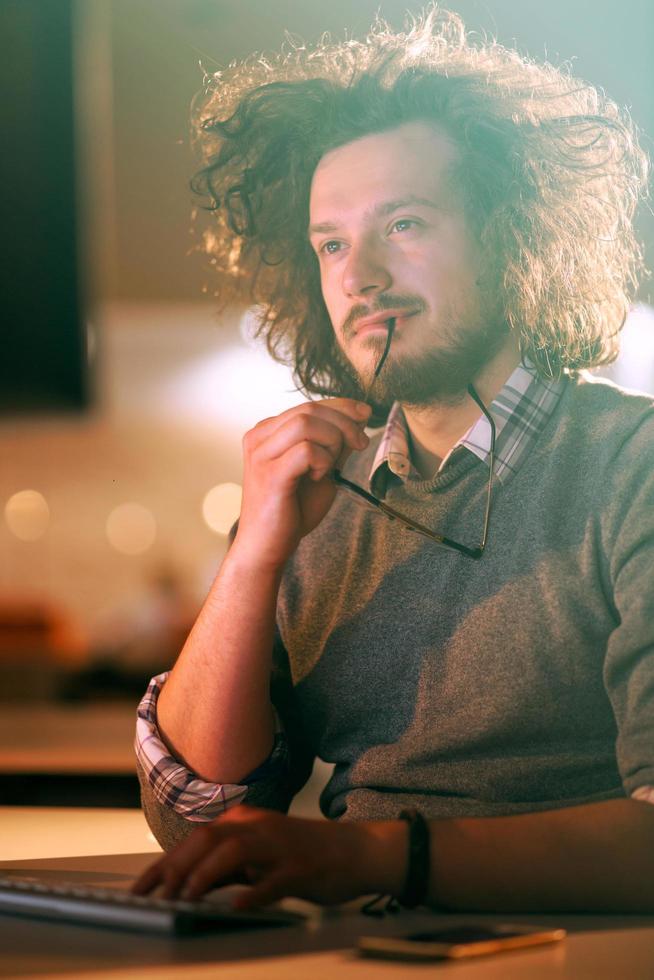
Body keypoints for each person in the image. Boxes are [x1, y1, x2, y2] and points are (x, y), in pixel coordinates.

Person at [133, 6, 654, 912]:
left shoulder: (632, 465)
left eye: (403, 224)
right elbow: (197, 820)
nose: (357, 275)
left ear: (513, 235)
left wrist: (372, 859)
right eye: (330, 244)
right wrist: (258, 547)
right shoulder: (310, 503)